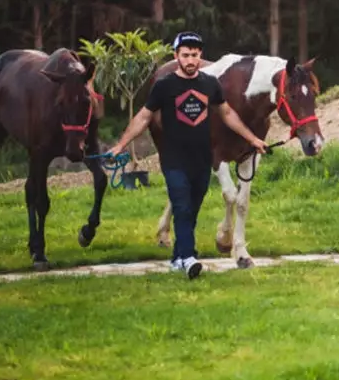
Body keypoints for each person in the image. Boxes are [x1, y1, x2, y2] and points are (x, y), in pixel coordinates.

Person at [106, 31, 270, 279]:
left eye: (194, 55)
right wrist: (121, 145)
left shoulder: (209, 84)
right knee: (181, 206)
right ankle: (189, 257)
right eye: (185, 55)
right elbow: (143, 117)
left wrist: (253, 139)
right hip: (174, 159)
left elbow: (227, 115)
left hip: (202, 159)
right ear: (177, 56)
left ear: (200, 55)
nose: (191, 60)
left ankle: (176, 258)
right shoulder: (165, 85)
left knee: (191, 210)